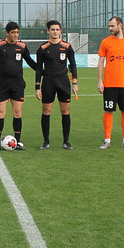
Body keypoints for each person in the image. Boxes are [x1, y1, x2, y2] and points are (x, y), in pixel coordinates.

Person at [0, 22, 37, 150]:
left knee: (17, 112)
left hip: (18, 84)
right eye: (13, 32)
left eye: (17, 32)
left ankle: (19, 141)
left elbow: (30, 62)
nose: (15, 35)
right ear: (7, 33)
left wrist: (43, 70)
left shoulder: (22, 47)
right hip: (2, 84)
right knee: (0, 112)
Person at [97, 16, 124, 150]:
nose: (110, 29)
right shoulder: (105, 42)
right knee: (108, 111)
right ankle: (107, 140)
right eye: (109, 26)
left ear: (120, 25)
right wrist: (100, 80)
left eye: (112, 26)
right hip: (109, 84)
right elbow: (101, 62)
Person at [35, 19, 78, 150]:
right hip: (48, 81)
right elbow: (38, 68)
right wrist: (37, 87)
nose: (55, 32)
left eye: (57, 29)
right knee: (46, 111)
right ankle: (46, 141)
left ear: (60, 31)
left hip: (63, 81)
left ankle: (66, 141)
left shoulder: (67, 47)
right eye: (52, 29)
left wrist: (74, 83)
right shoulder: (42, 48)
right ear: (48, 31)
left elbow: (73, 65)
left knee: (65, 111)